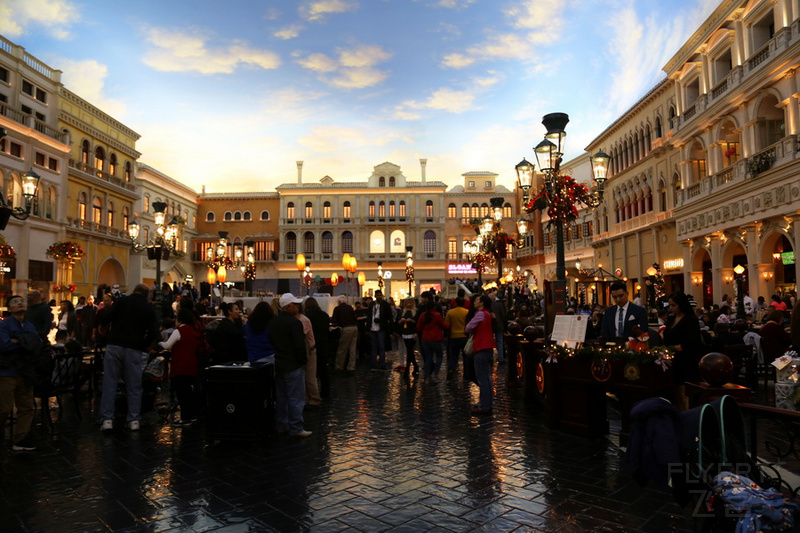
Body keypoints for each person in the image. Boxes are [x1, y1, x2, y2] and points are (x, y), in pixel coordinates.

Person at [99, 284, 159, 431]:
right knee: (134, 385)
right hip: (134, 348)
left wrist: (103, 328)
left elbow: (107, 317)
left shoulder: (122, 302)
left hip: (115, 345)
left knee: (110, 383)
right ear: (146, 295)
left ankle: (107, 420)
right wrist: (142, 345)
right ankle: (134, 420)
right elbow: (153, 333)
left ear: (134, 291)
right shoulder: (148, 308)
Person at [0, 295, 41, 451]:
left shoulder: (29, 325)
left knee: (26, 407)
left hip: (25, 372)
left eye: (21, 301)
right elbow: (4, 345)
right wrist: (26, 342)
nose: (20, 303)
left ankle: (21, 439)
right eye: (15, 302)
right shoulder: (4, 325)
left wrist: (17, 340)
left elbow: (36, 343)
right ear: (9, 308)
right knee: (3, 408)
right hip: (7, 372)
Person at [269, 293, 311, 437]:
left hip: (280, 363)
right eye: (295, 304)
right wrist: (303, 361)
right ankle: (296, 427)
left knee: (281, 397)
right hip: (293, 364)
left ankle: (282, 425)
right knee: (296, 398)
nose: (298, 306)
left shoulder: (273, 322)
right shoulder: (295, 323)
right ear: (288, 307)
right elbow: (299, 345)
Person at [660, 291, 703, 411]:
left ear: (681, 304)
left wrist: (674, 348)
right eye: (669, 305)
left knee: (684, 394)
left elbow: (692, 342)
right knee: (675, 394)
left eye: (673, 305)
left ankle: (687, 419)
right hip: (673, 361)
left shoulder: (690, 319)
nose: (671, 308)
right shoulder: (672, 318)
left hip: (686, 361)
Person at [158, 307, 201, 427]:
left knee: (182, 394)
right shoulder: (193, 331)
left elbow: (167, 345)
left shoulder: (178, 331)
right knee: (189, 393)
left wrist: (159, 342)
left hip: (180, 366)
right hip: (192, 366)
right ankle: (192, 416)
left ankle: (184, 418)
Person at [465, 295, 495, 415]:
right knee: (485, 378)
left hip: (481, 347)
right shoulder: (487, 314)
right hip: (487, 347)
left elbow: (468, 327)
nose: (474, 302)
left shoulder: (480, 314)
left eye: (477, 300)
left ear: (481, 303)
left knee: (483, 379)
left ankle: (485, 406)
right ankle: (485, 403)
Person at [303, 297, 330, 400]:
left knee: (311, 372)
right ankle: (325, 392)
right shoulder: (324, 315)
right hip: (323, 344)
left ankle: (312, 394)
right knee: (324, 370)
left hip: (312, 345)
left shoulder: (307, 317)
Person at [416, 301, 450, 383]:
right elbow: (444, 326)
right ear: (434, 307)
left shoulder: (423, 315)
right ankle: (435, 373)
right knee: (439, 356)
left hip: (425, 339)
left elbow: (418, 328)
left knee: (428, 358)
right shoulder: (437, 315)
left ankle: (427, 377)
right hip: (436, 339)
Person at [331, 295, 358, 373]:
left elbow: (334, 320)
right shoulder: (350, 307)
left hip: (346, 329)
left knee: (342, 349)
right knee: (353, 349)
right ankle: (351, 367)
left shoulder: (337, 308)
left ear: (339, 302)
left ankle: (339, 367)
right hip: (354, 328)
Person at [444, 297, 469, 380]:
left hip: (454, 336)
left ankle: (451, 369)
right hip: (464, 336)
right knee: (465, 356)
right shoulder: (466, 312)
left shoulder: (450, 312)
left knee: (454, 355)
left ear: (456, 303)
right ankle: (466, 373)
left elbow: (447, 324)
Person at [368, 290, 393, 370]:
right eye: (377, 295)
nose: (379, 297)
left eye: (380, 295)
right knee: (373, 347)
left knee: (381, 346)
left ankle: (382, 363)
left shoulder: (385, 305)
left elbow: (389, 316)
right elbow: (369, 315)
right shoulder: (372, 305)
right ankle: (374, 363)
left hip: (381, 328)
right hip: (372, 328)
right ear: (375, 296)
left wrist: (384, 323)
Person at [396, 298, 419, 379]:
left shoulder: (416, 311)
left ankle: (408, 368)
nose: (409, 304)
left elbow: (418, 322)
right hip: (405, 333)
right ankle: (415, 366)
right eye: (407, 303)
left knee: (410, 351)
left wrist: (412, 321)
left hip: (412, 333)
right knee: (409, 351)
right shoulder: (402, 311)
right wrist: (401, 321)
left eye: (410, 302)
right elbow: (397, 322)